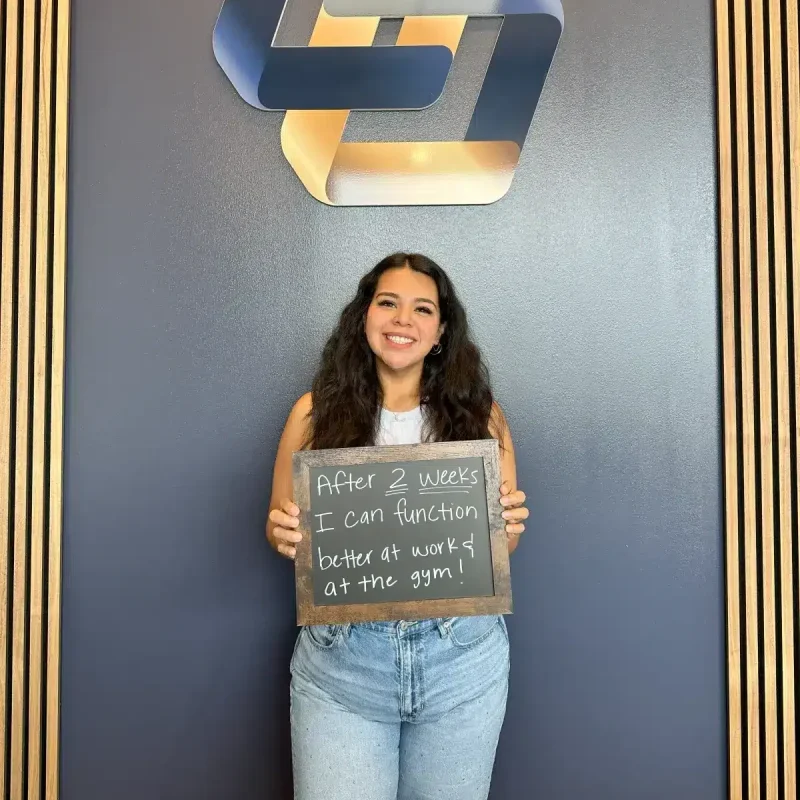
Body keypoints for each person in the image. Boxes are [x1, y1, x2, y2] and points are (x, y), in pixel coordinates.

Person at [266, 253, 529, 800]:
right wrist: (284, 534)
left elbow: (503, 541)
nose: (402, 319)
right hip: (343, 665)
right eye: (388, 302)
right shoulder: (312, 414)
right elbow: (279, 527)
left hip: (460, 660)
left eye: (422, 308)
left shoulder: (482, 417)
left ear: (440, 332)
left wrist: (509, 526)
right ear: (364, 318)